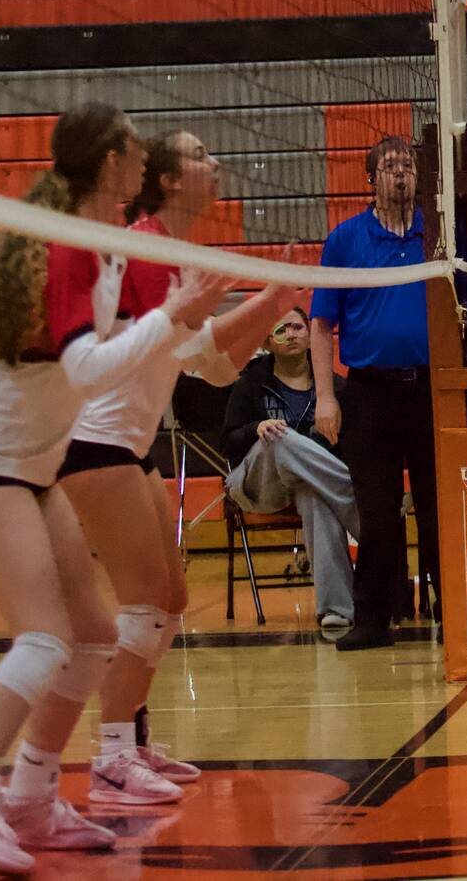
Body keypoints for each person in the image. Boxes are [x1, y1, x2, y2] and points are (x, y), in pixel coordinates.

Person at [0, 104, 231, 872]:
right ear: (112, 165)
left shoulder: (105, 251)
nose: (143, 163)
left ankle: (29, 799)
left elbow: (128, 363)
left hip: (36, 461)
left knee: (95, 637)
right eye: (135, 152)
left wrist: (177, 322)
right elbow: (86, 371)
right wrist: (171, 314)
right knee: (43, 637)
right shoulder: (69, 244)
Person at [37, 131, 298, 810]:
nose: (216, 163)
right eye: (201, 155)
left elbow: (208, 367)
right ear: (170, 179)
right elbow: (196, 348)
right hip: (93, 440)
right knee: (146, 599)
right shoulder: (144, 247)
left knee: (172, 598)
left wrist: (271, 305)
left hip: (130, 442)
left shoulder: (177, 254)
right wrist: (265, 300)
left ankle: (132, 739)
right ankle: (112, 758)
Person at [310, 135, 436, 652]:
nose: (401, 172)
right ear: (372, 178)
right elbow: (321, 325)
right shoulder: (345, 239)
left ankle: (456, 611)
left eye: (408, 164)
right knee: (377, 512)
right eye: (390, 165)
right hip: (368, 395)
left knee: (437, 507)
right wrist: (325, 397)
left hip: (431, 389)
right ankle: (372, 618)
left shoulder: (440, 233)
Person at [222, 307, 358, 630]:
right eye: (281, 330)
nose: (291, 334)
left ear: (311, 336)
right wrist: (256, 427)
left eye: (298, 327)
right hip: (257, 484)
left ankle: (336, 609)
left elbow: (350, 446)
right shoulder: (250, 384)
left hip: (307, 482)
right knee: (279, 437)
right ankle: (361, 509)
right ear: (268, 342)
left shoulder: (333, 389)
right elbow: (227, 443)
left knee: (313, 493)